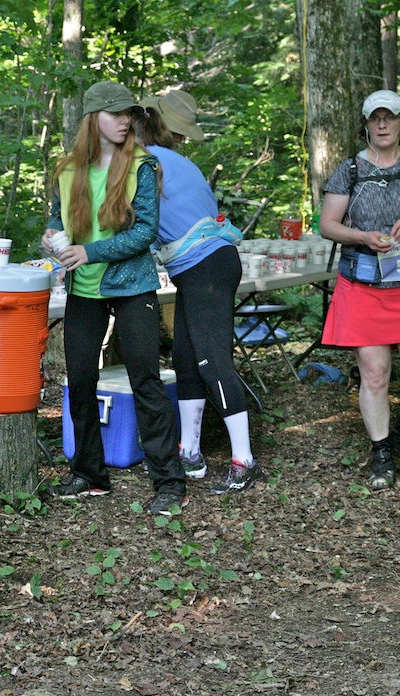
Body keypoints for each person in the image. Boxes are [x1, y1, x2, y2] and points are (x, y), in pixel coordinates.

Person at [41, 80, 187, 515]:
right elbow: (57, 218)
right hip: (82, 288)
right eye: (116, 114)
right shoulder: (66, 169)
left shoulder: (142, 165)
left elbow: (145, 233)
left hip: (132, 286)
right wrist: (52, 235)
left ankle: (169, 482)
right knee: (81, 380)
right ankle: (89, 474)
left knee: (146, 381)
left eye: (129, 114)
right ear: (93, 118)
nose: (125, 122)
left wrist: (91, 252)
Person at [319, 89, 400, 491]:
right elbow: (328, 225)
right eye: (374, 118)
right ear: (365, 124)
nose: (382, 124)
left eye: (389, 117)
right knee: (374, 375)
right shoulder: (350, 170)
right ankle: (381, 451)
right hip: (363, 285)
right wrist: (362, 236)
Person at [135, 90, 261, 494]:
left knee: (212, 361)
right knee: (187, 360)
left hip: (205, 267)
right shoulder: (173, 161)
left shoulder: (146, 162)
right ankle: (189, 451)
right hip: (206, 265)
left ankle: (244, 460)